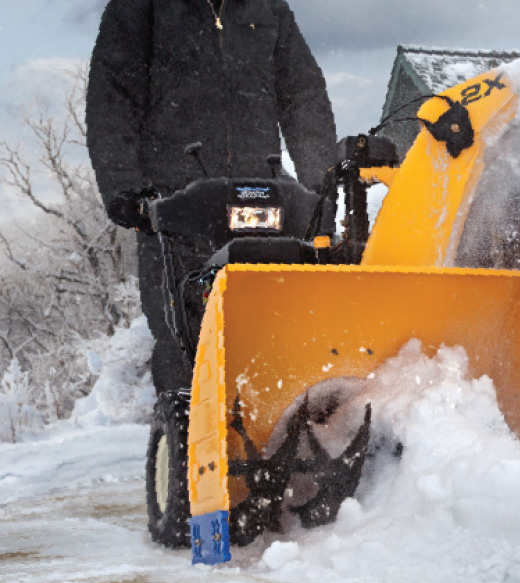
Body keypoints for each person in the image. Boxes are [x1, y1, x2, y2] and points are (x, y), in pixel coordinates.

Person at [86, 0, 337, 394]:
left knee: (276, 331)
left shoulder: (268, 7)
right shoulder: (142, 8)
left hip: (261, 201)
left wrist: (321, 184)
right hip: (176, 207)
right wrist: (123, 187)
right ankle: (184, 441)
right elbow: (113, 95)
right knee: (184, 339)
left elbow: (303, 95)